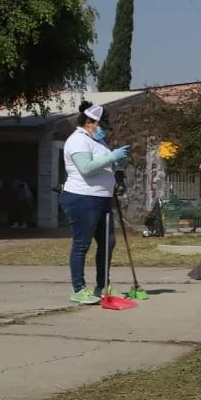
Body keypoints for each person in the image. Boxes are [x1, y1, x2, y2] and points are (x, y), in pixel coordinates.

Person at [62, 102, 130, 304]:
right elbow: (86, 168)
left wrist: (117, 159)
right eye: (100, 125)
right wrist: (112, 155)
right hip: (83, 198)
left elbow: (105, 163)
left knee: (108, 242)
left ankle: (102, 286)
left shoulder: (97, 141)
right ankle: (78, 289)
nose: (102, 130)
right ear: (89, 122)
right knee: (82, 244)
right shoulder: (77, 141)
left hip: (103, 198)